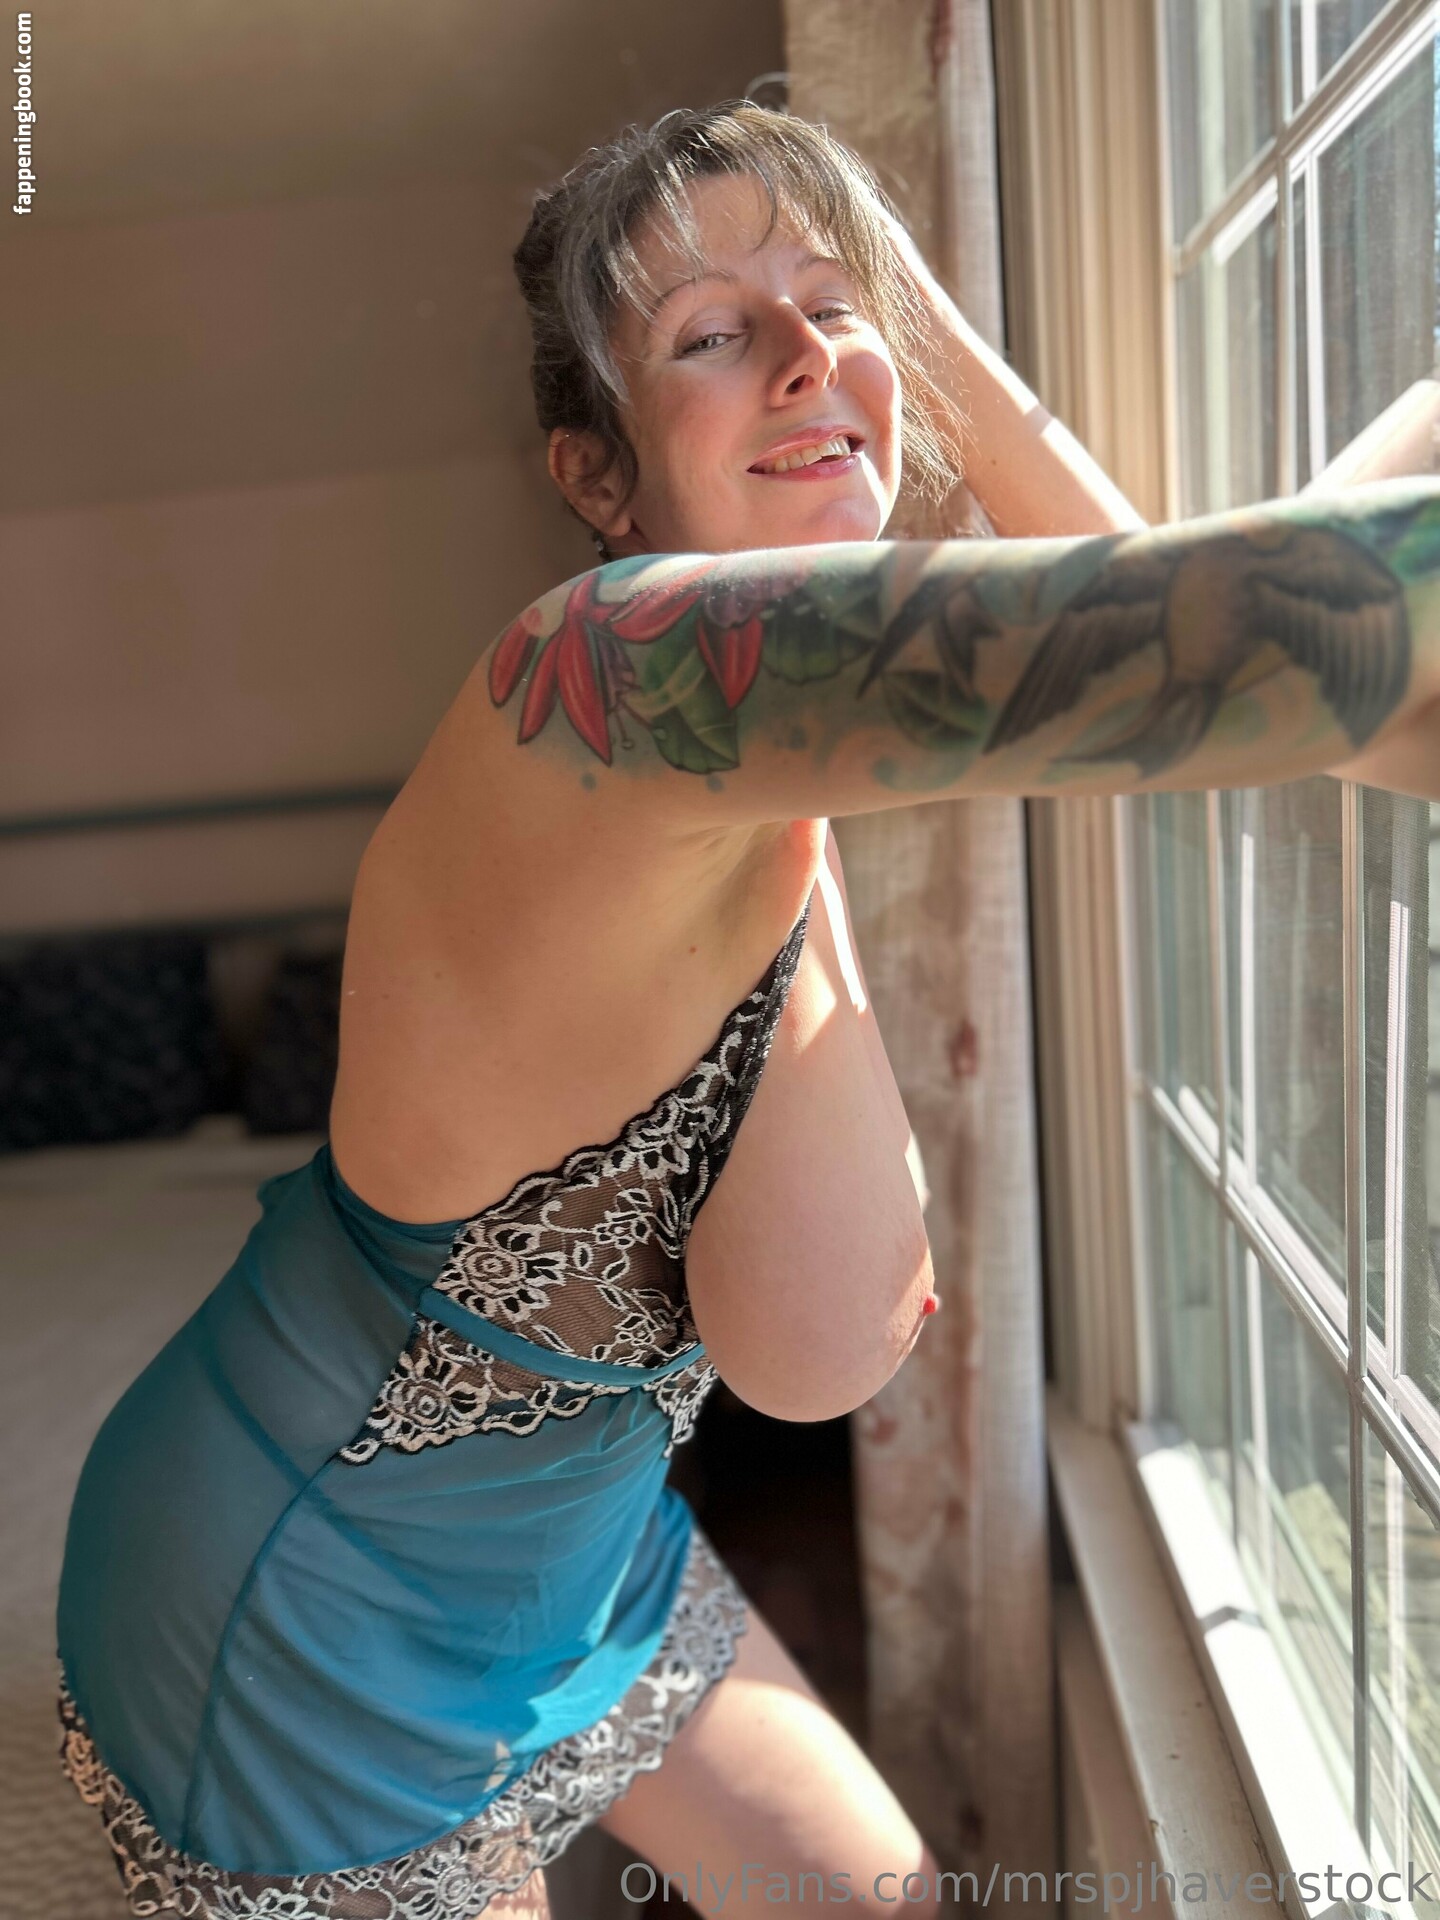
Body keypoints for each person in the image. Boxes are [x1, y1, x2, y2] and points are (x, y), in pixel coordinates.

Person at [54, 101, 1440, 1920]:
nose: (805, 355)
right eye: (713, 333)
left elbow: (1211, 664)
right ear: (598, 477)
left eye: (834, 307)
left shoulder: (789, 751)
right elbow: (1250, 650)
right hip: (304, 1607)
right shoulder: (603, 686)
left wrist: (897, 321)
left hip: (585, 1556)